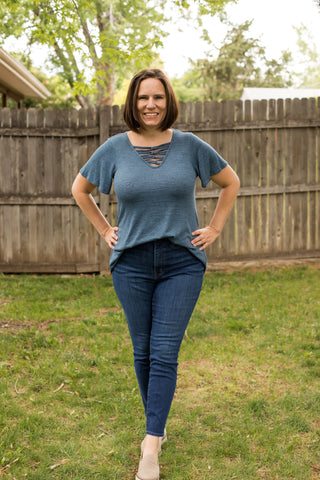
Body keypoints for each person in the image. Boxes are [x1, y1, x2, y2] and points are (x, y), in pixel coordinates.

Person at [72, 68, 240, 480]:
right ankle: (158, 426)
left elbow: (230, 182)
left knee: (164, 352)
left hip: (182, 262)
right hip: (130, 264)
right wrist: (105, 230)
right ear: (133, 102)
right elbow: (80, 189)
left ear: (169, 102)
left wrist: (215, 228)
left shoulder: (189, 146)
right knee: (142, 351)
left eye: (158, 98)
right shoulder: (113, 149)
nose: (151, 105)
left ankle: (151, 446)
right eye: (144, 97)